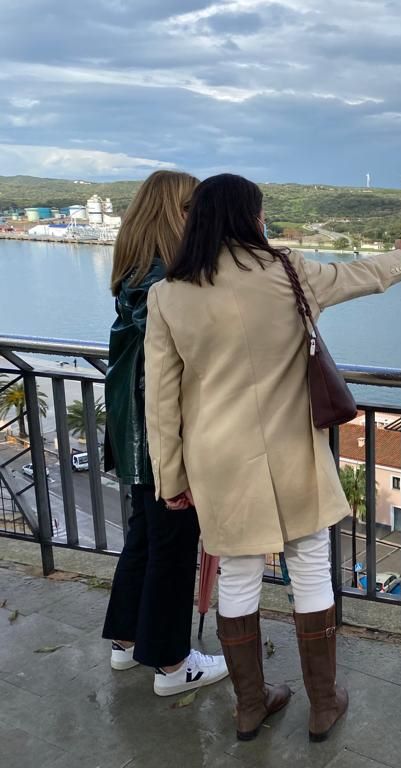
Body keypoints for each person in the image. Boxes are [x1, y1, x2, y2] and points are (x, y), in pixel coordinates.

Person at [144, 173, 401, 742]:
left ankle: (250, 705)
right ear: (250, 216)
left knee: (238, 574)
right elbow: (359, 276)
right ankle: (323, 703)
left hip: (217, 459)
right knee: (311, 564)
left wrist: (170, 479)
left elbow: (161, 401)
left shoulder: (168, 295)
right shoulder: (288, 273)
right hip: (293, 447)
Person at [101, 170, 229, 696]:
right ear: (178, 214)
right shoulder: (167, 285)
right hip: (162, 437)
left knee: (144, 539)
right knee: (173, 547)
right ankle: (174, 665)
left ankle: (128, 641)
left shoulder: (133, 275)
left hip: (131, 433)